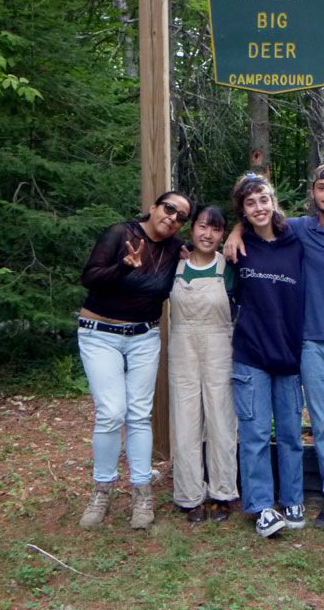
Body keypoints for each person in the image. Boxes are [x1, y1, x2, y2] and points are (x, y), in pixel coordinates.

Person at [225, 163, 324, 538]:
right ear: (313, 193)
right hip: (308, 343)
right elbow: (257, 217)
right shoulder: (297, 229)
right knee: (322, 426)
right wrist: (235, 230)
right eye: (322, 187)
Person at [77, 191, 192, 530]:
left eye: (181, 216)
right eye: (168, 208)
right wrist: (123, 266)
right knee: (112, 412)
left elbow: (207, 244)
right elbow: (89, 277)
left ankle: (142, 492)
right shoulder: (120, 233)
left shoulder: (176, 249)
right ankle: (102, 491)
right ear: (153, 207)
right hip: (100, 334)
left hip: (144, 337)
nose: (172, 217)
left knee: (140, 415)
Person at [230, 174, 306, 538]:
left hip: (289, 352)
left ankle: (292, 498)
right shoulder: (238, 246)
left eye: (263, 199)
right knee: (256, 433)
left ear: (273, 201)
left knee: (291, 433)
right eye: (250, 203)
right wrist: (234, 232)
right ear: (242, 211)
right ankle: (261, 506)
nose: (259, 207)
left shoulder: (297, 240)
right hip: (251, 353)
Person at [168, 205, 239, 524]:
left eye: (216, 229)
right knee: (185, 420)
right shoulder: (174, 263)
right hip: (182, 345)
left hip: (219, 345)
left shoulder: (230, 266)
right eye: (202, 226)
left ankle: (223, 492)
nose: (207, 234)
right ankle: (189, 494)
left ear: (223, 234)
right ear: (191, 228)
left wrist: (240, 231)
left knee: (221, 419)